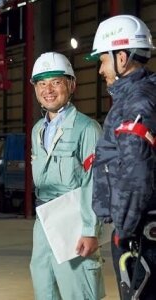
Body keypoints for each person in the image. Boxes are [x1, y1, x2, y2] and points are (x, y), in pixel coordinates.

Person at [88, 15, 156, 299]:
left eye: (103, 60)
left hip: (141, 233)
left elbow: (136, 172)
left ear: (122, 58)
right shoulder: (138, 96)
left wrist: (124, 230)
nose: (101, 69)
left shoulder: (137, 102)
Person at [29, 52, 105, 299]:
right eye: (41, 83)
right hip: (44, 219)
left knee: (78, 289)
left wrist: (90, 230)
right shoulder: (38, 130)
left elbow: (94, 182)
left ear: (71, 85)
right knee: (45, 287)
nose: (48, 90)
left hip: (74, 220)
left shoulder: (87, 128)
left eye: (56, 82)